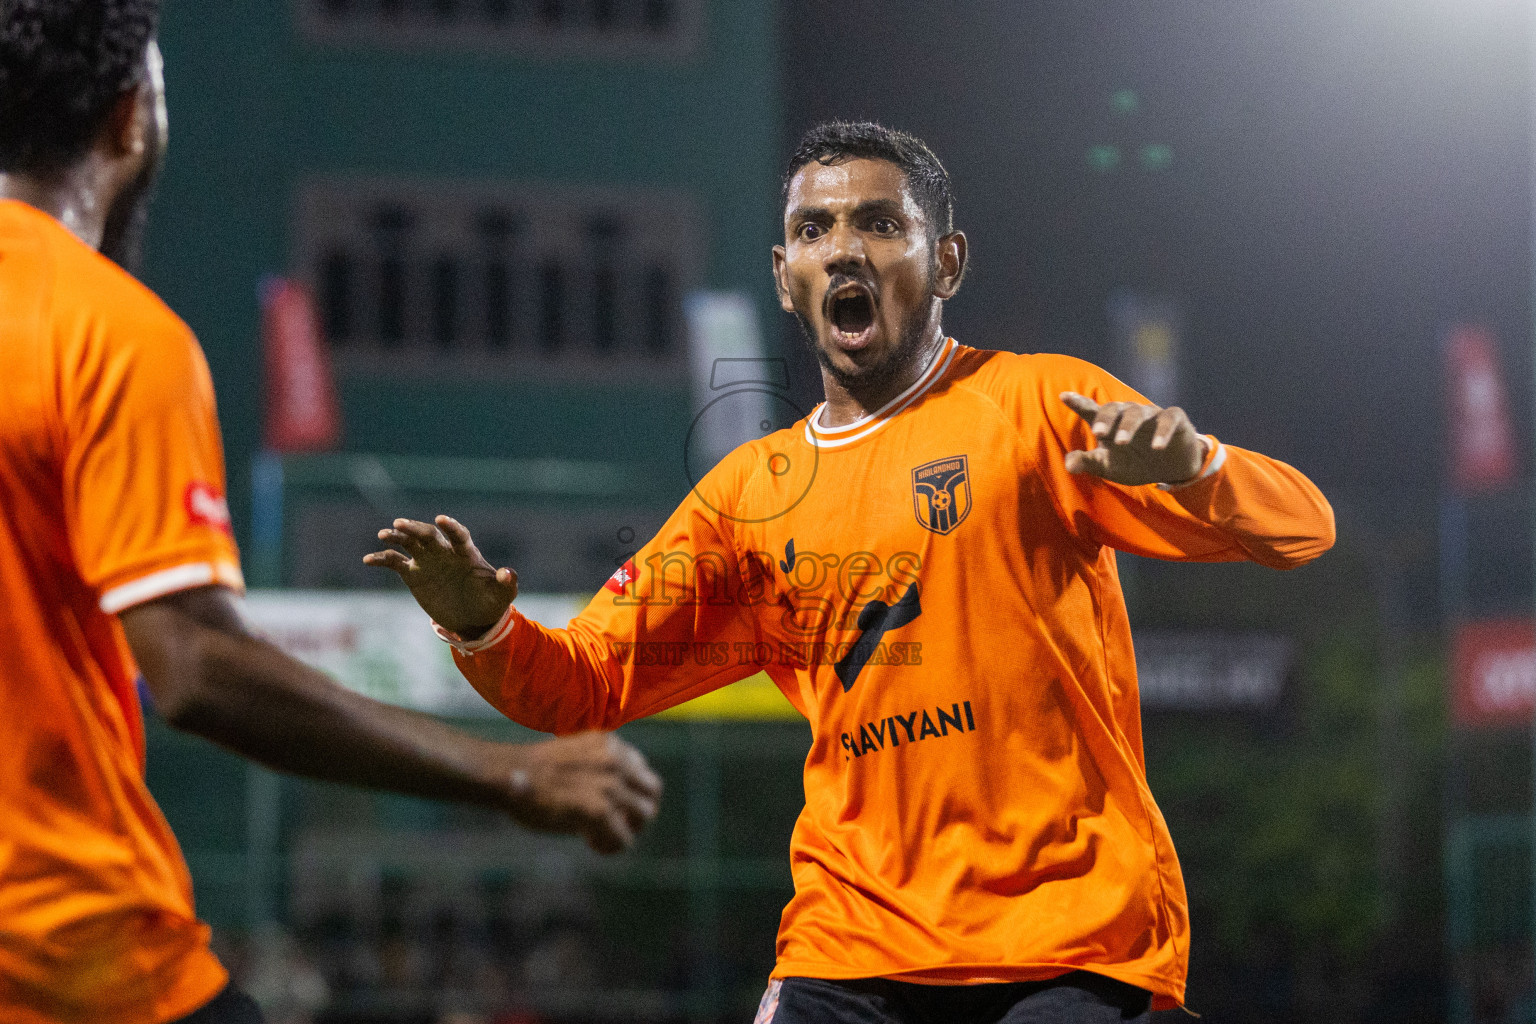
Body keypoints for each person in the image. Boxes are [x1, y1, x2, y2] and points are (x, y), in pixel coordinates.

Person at [367, 121, 1335, 1023]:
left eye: (879, 222)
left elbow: (1302, 526)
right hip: (851, 942)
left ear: (946, 260)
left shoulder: (1040, 405)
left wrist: (1195, 465)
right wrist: (480, 628)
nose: (845, 248)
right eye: (813, 228)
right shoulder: (748, 496)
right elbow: (581, 680)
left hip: (1072, 939)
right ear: (786, 274)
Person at [0, 4, 662, 1023]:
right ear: (132, 119)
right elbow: (197, 668)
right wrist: (514, 777)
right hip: (73, 959)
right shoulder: (108, 332)